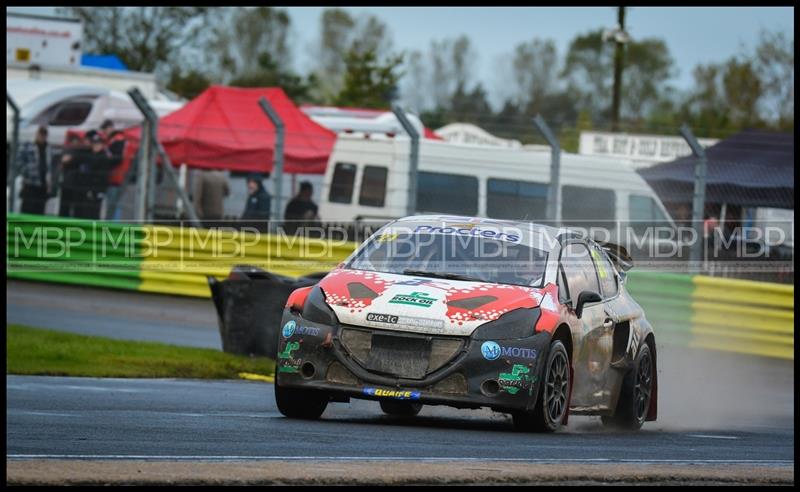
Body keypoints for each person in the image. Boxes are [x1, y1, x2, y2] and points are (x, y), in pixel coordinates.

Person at [17, 125, 52, 215]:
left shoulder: (48, 148)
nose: (42, 136)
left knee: (40, 211)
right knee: (27, 209)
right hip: (30, 184)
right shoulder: (27, 145)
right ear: (37, 134)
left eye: (44, 134)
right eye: (41, 134)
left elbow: (50, 166)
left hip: (43, 184)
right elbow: (19, 162)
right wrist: (27, 172)